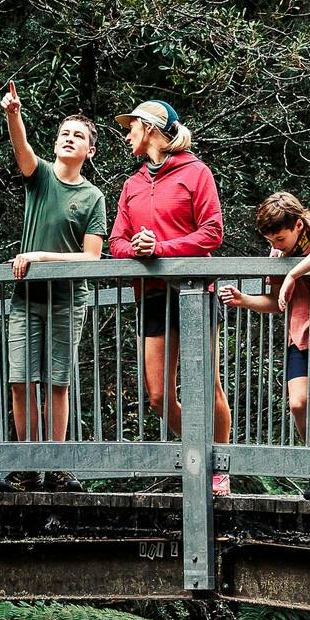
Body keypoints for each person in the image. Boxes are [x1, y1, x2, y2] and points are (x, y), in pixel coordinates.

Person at [108, 99, 232, 494]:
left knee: (207, 384)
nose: (127, 134)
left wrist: (161, 246)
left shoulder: (196, 172)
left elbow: (212, 232)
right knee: (159, 394)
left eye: (132, 127)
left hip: (196, 291)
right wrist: (140, 248)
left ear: (150, 129)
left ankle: (220, 468)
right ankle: (199, 452)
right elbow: (115, 242)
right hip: (153, 294)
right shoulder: (132, 184)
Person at [0, 81, 108, 491]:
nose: (69, 138)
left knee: (57, 382)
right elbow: (22, 149)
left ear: (89, 152)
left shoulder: (93, 196)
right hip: (26, 299)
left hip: (66, 300)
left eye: (78, 136)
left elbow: (92, 257)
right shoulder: (40, 177)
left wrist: (42, 257)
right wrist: (13, 113)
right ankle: (28, 464)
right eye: (64, 133)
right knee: (21, 380)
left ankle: (57, 465)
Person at [219, 192, 310, 502]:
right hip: (299, 335)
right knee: (298, 403)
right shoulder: (277, 254)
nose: (276, 245)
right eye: (271, 240)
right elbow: (276, 302)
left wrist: (295, 272)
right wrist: (244, 300)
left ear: (296, 225)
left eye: (280, 238)